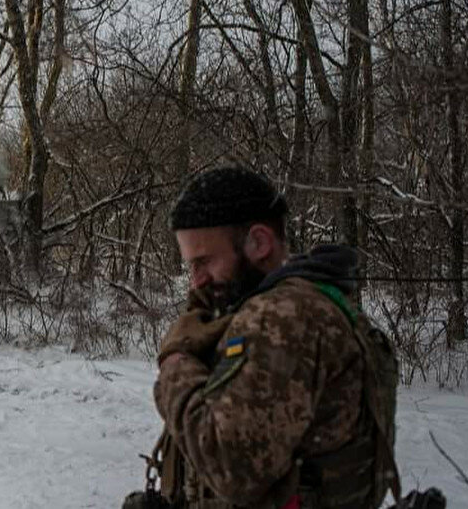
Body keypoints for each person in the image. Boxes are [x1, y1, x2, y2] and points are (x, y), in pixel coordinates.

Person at [134, 166, 400, 509]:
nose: (196, 281)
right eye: (191, 267)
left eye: (205, 262)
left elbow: (232, 469)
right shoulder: (308, 302)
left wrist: (175, 361)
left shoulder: (284, 318)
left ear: (259, 242)